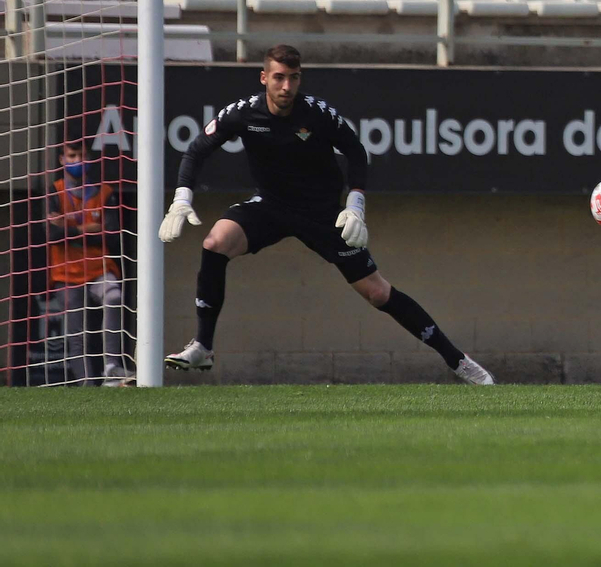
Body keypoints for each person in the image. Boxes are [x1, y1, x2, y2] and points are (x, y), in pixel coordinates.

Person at [157, 45, 494, 385]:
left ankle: (458, 360)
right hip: (271, 206)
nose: (287, 86)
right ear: (264, 79)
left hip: (322, 214)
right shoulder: (243, 113)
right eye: (279, 78)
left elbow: (356, 152)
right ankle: (203, 346)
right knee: (216, 241)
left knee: (377, 293)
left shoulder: (316, 114)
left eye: (294, 78)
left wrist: (355, 205)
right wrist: (182, 198)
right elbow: (198, 149)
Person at [42, 139, 130, 386]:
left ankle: (112, 366)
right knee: (76, 333)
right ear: (62, 159)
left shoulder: (105, 192)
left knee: (113, 296)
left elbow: (112, 234)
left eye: (82, 155)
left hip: (98, 267)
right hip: (66, 272)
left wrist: (69, 224)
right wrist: (88, 228)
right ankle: (87, 385)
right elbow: (52, 236)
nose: (77, 161)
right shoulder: (54, 192)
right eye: (72, 156)